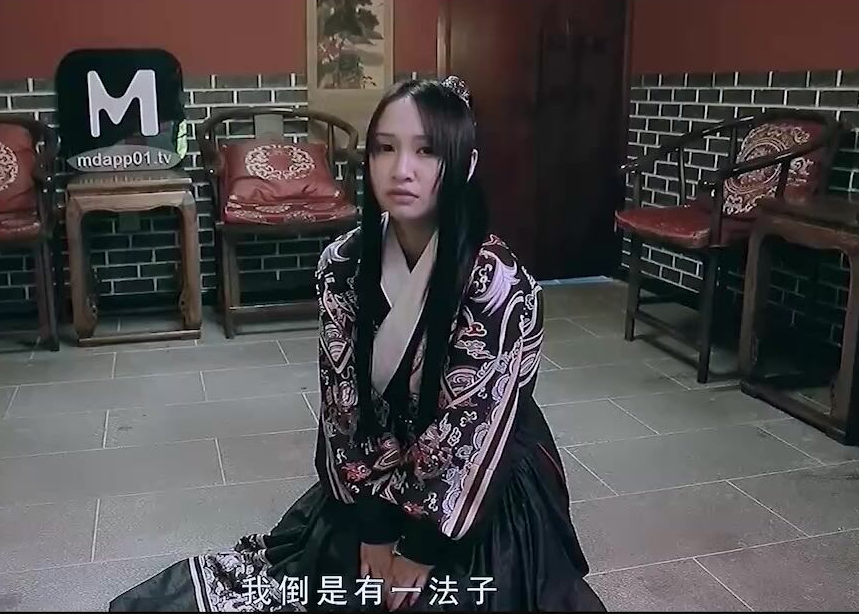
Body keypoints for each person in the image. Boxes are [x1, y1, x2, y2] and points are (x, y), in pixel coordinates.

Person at [110, 76, 606, 612]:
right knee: (333, 585)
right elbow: (342, 403)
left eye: (427, 151)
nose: (402, 169)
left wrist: (420, 547)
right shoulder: (342, 263)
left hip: (477, 483)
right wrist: (374, 527)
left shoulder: (498, 282)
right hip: (375, 467)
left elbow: (473, 428)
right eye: (385, 148)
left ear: (466, 164)